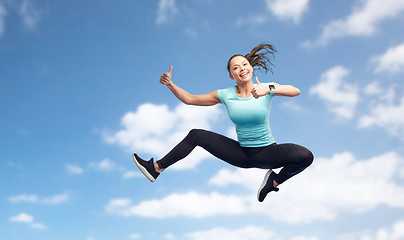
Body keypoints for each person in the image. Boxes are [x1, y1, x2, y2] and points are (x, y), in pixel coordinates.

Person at [132, 43, 314, 202]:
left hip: (267, 152)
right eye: (236, 68)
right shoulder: (225, 95)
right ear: (231, 75)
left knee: (305, 156)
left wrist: (269, 89)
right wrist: (170, 84)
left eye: (245, 64)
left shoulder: (265, 88)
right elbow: (189, 99)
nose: (242, 69)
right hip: (241, 153)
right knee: (196, 135)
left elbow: (295, 91)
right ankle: (156, 168)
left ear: (251, 68)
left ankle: (273, 182)